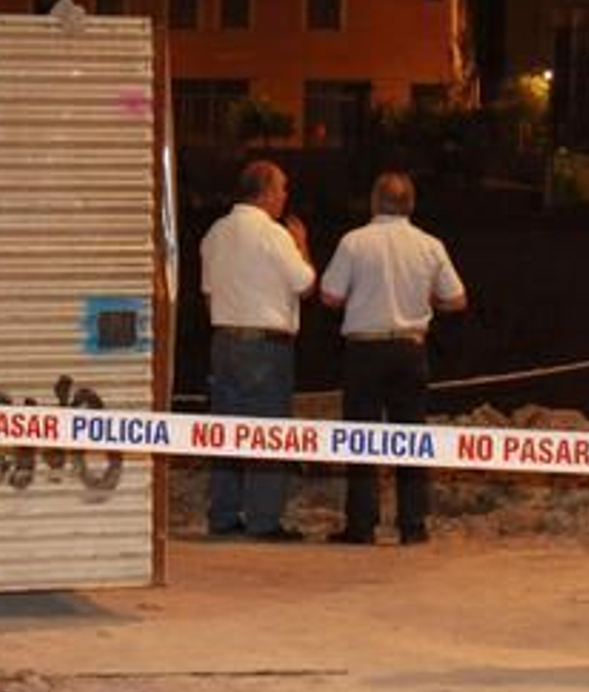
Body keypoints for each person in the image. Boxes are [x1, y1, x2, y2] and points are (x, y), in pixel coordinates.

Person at [320, 172, 466, 546]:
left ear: (374, 201)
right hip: (410, 349)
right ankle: (413, 525)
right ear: (411, 204)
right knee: (411, 438)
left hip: (364, 349)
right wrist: (425, 301)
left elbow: (330, 296)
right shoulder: (430, 245)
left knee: (361, 439)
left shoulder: (354, 242)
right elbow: (457, 299)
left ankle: (361, 526)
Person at [200, 159, 315, 542]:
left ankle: (223, 515)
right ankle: (263, 520)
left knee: (225, 432)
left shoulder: (216, 232)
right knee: (268, 432)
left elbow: (208, 292)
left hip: (223, 341)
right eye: (282, 188)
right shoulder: (274, 234)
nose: (285, 196)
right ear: (265, 191)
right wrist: (301, 245)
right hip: (265, 347)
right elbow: (304, 283)